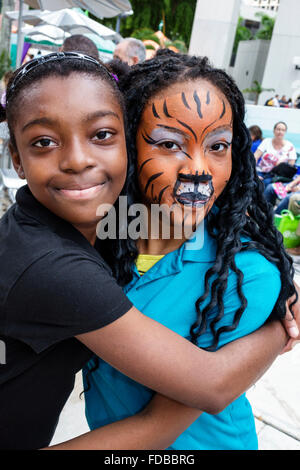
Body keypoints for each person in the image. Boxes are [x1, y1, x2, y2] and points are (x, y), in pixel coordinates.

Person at [1, 52, 297, 451]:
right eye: (169, 144)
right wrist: (279, 331)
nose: (197, 170)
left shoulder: (245, 275)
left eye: (218, 146)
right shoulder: (102, 235)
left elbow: (172, 418)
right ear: (129, 145)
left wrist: (282, 307)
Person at [254, 121, 297, 188]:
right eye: (278, 129)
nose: (280, 132)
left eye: (283, 130)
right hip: (260, 171)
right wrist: (253, 173)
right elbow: (255, 156)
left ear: (285, 132)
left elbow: (291, 165)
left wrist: (281, 164)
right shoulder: (266, 141)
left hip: (276, 176)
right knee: (252, 181)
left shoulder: (290, 146)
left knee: (264, 184)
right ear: (274, 130)